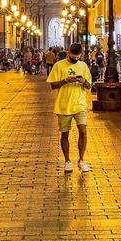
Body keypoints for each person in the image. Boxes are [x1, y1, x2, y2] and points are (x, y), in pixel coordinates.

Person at [48, 42, 94, 173]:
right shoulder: (59, 66)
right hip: (64, 105)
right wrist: (65, 81)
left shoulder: (83, 66)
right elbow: (52, 85)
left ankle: (81, 160)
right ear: (68, 53)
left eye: (77, 58)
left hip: (80, 104)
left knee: (83, 130)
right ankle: (67, 161)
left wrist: (84, 81)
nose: (75, 60)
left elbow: (89, 86)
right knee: (65, 133)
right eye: (73, 57)